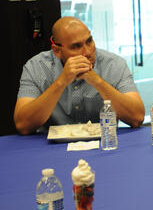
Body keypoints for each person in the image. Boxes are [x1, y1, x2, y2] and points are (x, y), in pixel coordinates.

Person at [14, 17, 145, 135]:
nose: (87, 52)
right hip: (52, 148)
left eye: (89, 41)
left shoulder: (114, 64)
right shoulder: (36, 67)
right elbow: (23, 125)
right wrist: (61, 82)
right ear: (57, 51)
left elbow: (137, 118)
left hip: (105, 143)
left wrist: (98, 82)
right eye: (76, 46)